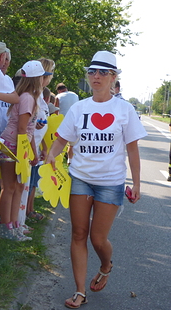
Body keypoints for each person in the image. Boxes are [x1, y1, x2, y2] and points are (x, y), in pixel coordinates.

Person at [46, 51, 146, 309]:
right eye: (92, 71)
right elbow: (61, 139)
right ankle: (80, 291)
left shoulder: (124, 110)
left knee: (97, 239)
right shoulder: (79, 108)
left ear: (113, 77)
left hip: (111, 182)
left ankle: (105, 264)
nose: (96, 76)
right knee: (78, 233)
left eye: (103, 72)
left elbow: (132, 149)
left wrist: (136, 183)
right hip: (80, 178)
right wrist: (52, 155)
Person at [0, 61, 47, 241]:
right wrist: (22, 154)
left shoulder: (29, 97)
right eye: (42, 76)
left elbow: (30, 130)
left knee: (18, 186)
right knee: (9, 187)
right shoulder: (27, 98)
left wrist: (33, 152)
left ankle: (15, 225)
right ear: (37, 79)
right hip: (13, 146)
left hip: (20, 147)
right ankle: (6, 227)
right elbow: (21, 128)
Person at [26, 59, 55, 223]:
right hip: (29, 148)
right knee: (27, 184)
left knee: (33, 183)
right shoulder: (32, 97)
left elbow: (42, 124)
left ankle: (30, 210)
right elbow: (28, 126)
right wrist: (35, 150)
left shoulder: (42, 98)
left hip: (37, 146)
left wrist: (44, 147)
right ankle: (23, 214)